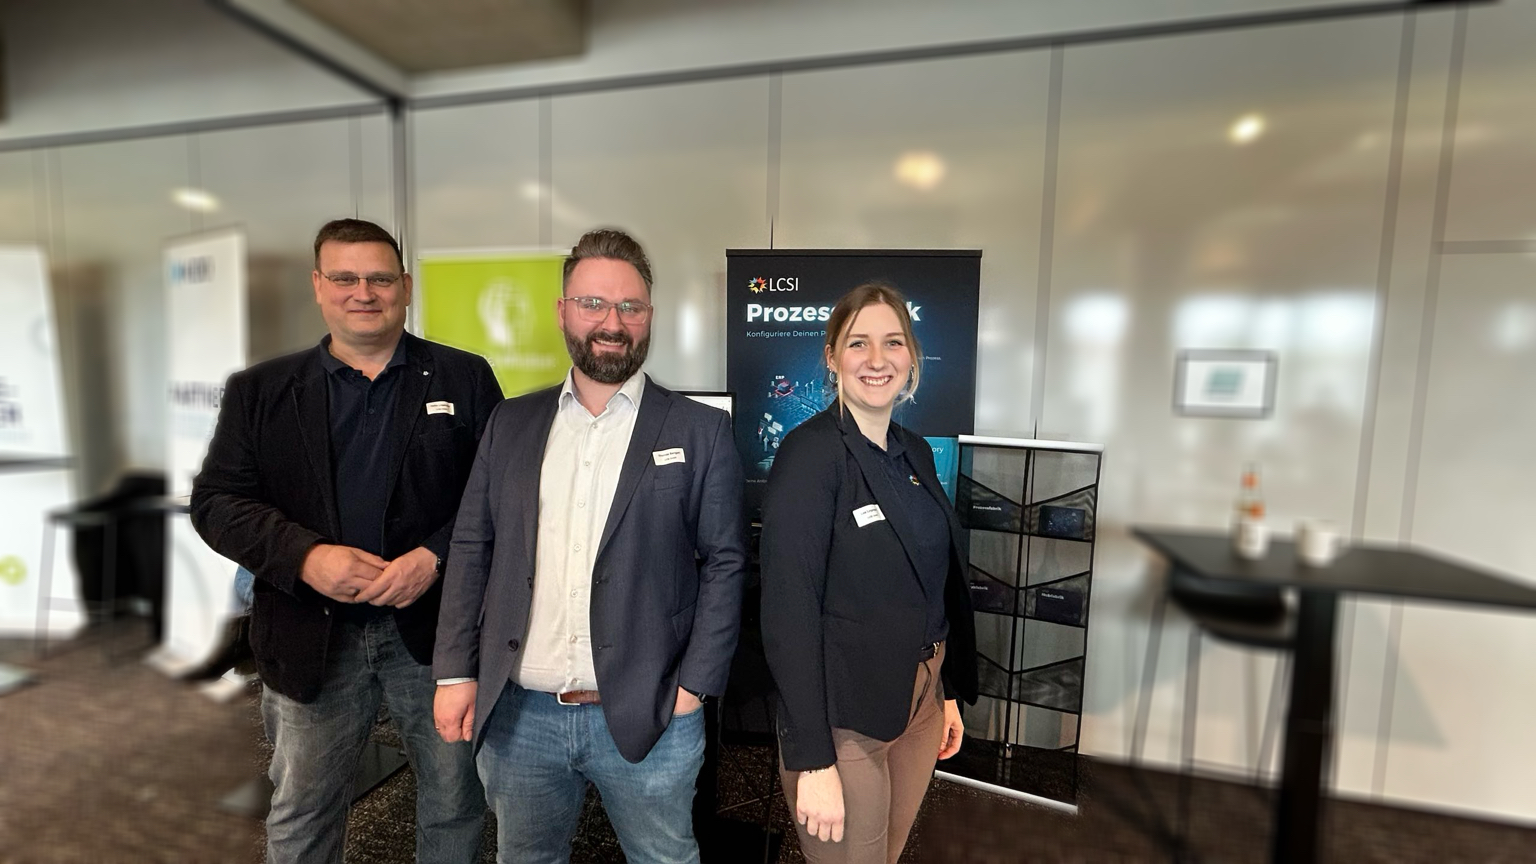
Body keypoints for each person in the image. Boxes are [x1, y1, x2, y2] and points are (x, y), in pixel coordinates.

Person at [190, 218, 502, 863]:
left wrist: (434, 557)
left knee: (454, 800)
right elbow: (216, 503)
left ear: (405, 286)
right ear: (318, 285)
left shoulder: (464, 378)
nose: (364, 292)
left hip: (435, 633)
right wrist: (306, 557)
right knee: (303, 809)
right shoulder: (261, 391)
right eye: (345, 278)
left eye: (380, 279)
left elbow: (500, 495)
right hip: (311, 633)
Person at [432, 228, 746, 864]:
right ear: (563, 311)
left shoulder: (701, 430)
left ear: (649, 316)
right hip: (521, 714)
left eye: (630, 306)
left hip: (653, 708)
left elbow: (726, 561)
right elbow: (471, 546)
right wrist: (456, 671)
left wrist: (695, 688)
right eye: (593, 304)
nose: (612, 322)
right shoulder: (511, 422)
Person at [759, 282, 978, 864]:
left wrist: (945, 693)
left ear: (911, 357)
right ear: (832, 357)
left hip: (920, 701)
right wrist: (813, 759)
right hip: (844, 719)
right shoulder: (810, 455)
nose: (877, 359)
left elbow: (933, 582)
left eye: (893, 342)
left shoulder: (914, 451)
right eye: (859, 343)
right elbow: (788, 610)